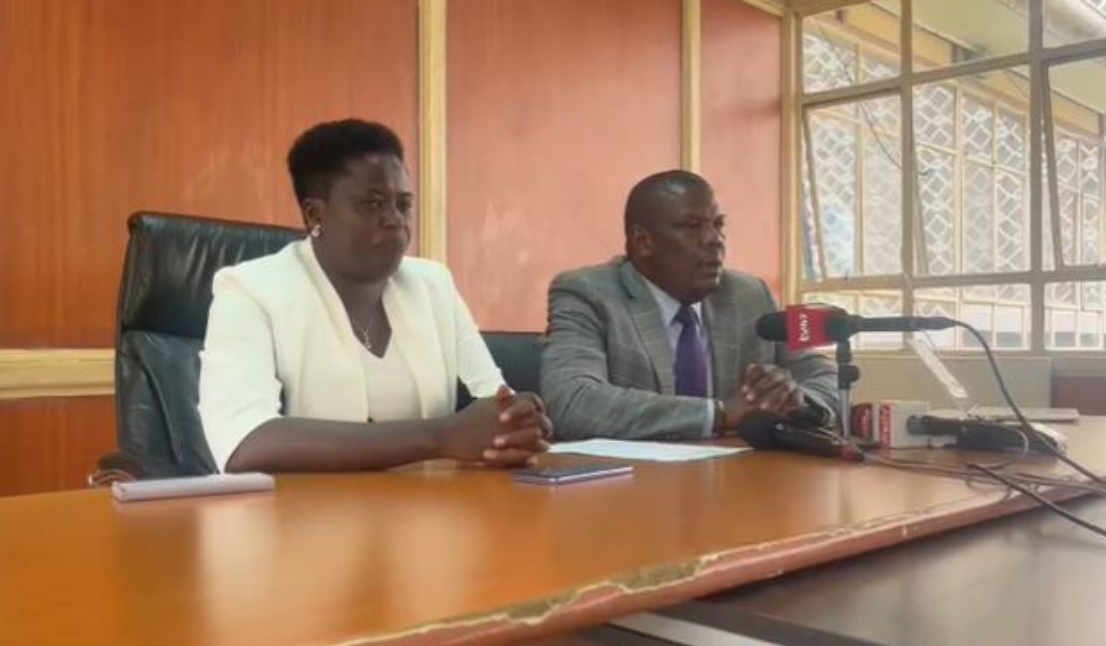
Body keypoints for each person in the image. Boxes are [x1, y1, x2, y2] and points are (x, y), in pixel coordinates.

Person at [198, 119, 550, 472]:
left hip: (427, 516)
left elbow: (496, 400)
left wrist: (518, 422)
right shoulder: (249, 291)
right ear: (315, 214)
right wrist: (440, 436)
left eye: (403, 204)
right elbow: (246, 444)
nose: (394, 219)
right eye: (373, 204)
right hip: (295, 519)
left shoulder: (433, 285)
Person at [541, 170, 837, 441]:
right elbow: (572, 402)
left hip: (736, 481)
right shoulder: (588, 293)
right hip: (633, 487)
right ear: (643, 242)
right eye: (692, 227)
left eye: (718, 225)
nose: (714, 240)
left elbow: (826, 376)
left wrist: (795, 403)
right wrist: (720, 414)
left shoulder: (749, 295)